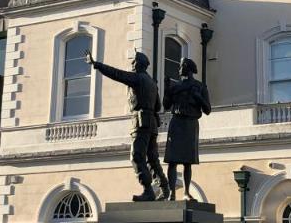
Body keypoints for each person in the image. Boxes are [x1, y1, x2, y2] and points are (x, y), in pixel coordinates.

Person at [86, 49, 168, 201]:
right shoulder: (152, 83)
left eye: (133, 62)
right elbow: (158, 106)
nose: (132, 64)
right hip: (152, 123)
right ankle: (164, 186)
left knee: (136, 156)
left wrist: (97, 64)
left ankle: (148, 190)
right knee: (151, 157)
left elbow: (117, 74)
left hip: (141, 121)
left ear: (139, 64)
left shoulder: (138, 78)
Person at [163, 58, 211, 200]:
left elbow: (207, 109)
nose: (178, 69)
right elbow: (166, 105)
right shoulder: (175, 87)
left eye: (181, 66)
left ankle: (186, 192)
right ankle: (172, 192)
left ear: (187, 68)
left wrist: (198, 97)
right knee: (172, 160)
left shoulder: (200, 87)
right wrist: (166, 88)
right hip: (176, 122)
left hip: (190, 123)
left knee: (187, 162)